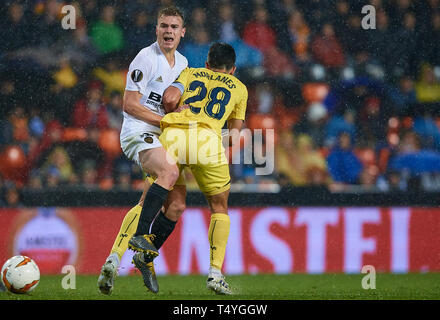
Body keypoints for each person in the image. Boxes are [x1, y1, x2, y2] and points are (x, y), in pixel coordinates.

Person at [130, 42, 248, 295]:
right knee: (219, 207)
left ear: (207, 64)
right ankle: (215, 274)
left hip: (173, 134)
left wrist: (177, 112)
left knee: (173, 201)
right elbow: (233, 136)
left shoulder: (192, 72)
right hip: (206, 143)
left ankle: (142, 240)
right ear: (233, 69)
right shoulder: (239, 87)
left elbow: (170, 98)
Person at [97, 6, 188, 295]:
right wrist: (164, 119)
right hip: (137, 132)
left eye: (174, 27)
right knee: (169, 171)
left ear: (182, 32)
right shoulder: (145, 58)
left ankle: (122, 258)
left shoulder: (184, 63)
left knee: (175, 205)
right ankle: (139, 237)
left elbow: (176, 103)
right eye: (164, 26)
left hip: (163, 136)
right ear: (156, 29)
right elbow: (129, 104)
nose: (169, 31)